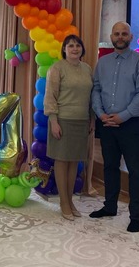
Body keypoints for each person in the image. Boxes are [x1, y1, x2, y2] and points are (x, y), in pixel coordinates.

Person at [90, 21, 139, 233]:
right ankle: (110, 207)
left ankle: (136, 216)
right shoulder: (102, 63)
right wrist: (101, 114)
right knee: (110, 167)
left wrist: (122, 117)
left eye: (124, 34)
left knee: (135, 171)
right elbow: (96, 89)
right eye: (116, 33)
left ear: (131, 37)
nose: (120, 37)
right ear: (111, 36)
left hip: (131, 124)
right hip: (107, 123)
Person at [43, 34, 94, 221]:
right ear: (64, 49)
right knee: (62, 161)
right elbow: (50, 96)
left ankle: (70, 201)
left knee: (74, 162)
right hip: (62, 120)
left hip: (82, 121)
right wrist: (53, 121)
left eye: (77, 45)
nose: (74, 48)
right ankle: (63, 202)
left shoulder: (87, 69)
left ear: (82, 49)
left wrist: (92, 119)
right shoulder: (57, 68)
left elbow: (91, 97)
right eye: (70, 45)